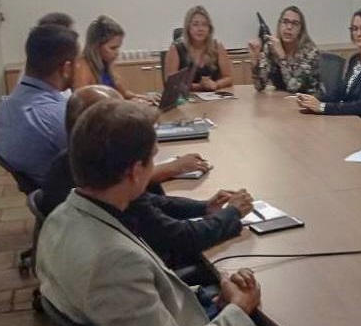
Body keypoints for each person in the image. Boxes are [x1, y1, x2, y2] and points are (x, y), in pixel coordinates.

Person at [36, 99, 261, 326]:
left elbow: (143, 301)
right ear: (134, 172)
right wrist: (238, 310)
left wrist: (210, 297)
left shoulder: (63, 215)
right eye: (152, 159)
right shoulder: (114, 261)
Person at [39, 85, 252, 269]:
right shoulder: (112, 191)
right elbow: (180, 238)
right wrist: (232, 213)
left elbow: (153, 201)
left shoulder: (82, 169)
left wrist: (204, 207)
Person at [0, 24, 78, 184]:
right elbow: (95, 165)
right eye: (77, 62)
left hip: (40, 187)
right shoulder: (60, 116)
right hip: (66, 192)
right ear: (66, 68)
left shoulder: (5, 107)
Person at [295, 6, 361, 127]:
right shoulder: (355, 59)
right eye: (354, 29)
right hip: (350, 120)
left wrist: (322, 107)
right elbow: (340, 93)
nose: (358, 34)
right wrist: (312, 100)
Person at [73, 15, 152, 101]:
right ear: (96, 46)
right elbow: (84, 103)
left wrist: (142, 98)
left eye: (118, 47)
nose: (117, 52)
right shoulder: (82, 68)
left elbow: (123, 94)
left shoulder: (105, 64)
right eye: (113, 48)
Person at [248, 6, 322, 95]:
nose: (289, 27)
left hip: (307, 99)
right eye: (285, 22)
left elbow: (294, 88)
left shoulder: (310, 52)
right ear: (279, 25)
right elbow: (259, 86)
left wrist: (282, 57)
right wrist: (255, 61)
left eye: (295, 23)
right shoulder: (271, 47)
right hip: (281, 99)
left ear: (301, 30)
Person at [165, 6, 234, 91]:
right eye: (195, 24)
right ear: (188, 27)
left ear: (209, 28)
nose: (200, 29)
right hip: (186, 97)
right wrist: (200, 86)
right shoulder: (176, 48)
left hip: (213, 96)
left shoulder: (217, 46)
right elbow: (171, 82)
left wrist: (216, 84)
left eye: (204, 25)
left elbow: (228, 78)